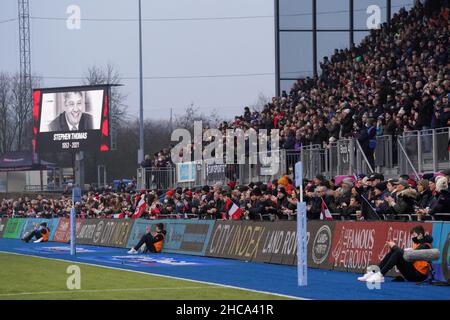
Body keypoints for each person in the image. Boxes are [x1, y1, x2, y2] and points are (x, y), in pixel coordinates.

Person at [357, 225, 433, 283]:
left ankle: (380, 275)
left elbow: (410, 256)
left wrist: (395, 246)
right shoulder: (418, 243)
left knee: (397, 252)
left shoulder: (425, 245)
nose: (412, 237)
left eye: (414, 235)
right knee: (394, 251)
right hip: (413, 271)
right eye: (411, 235)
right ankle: (374, 272)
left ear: (420, 235)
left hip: (419, 276)